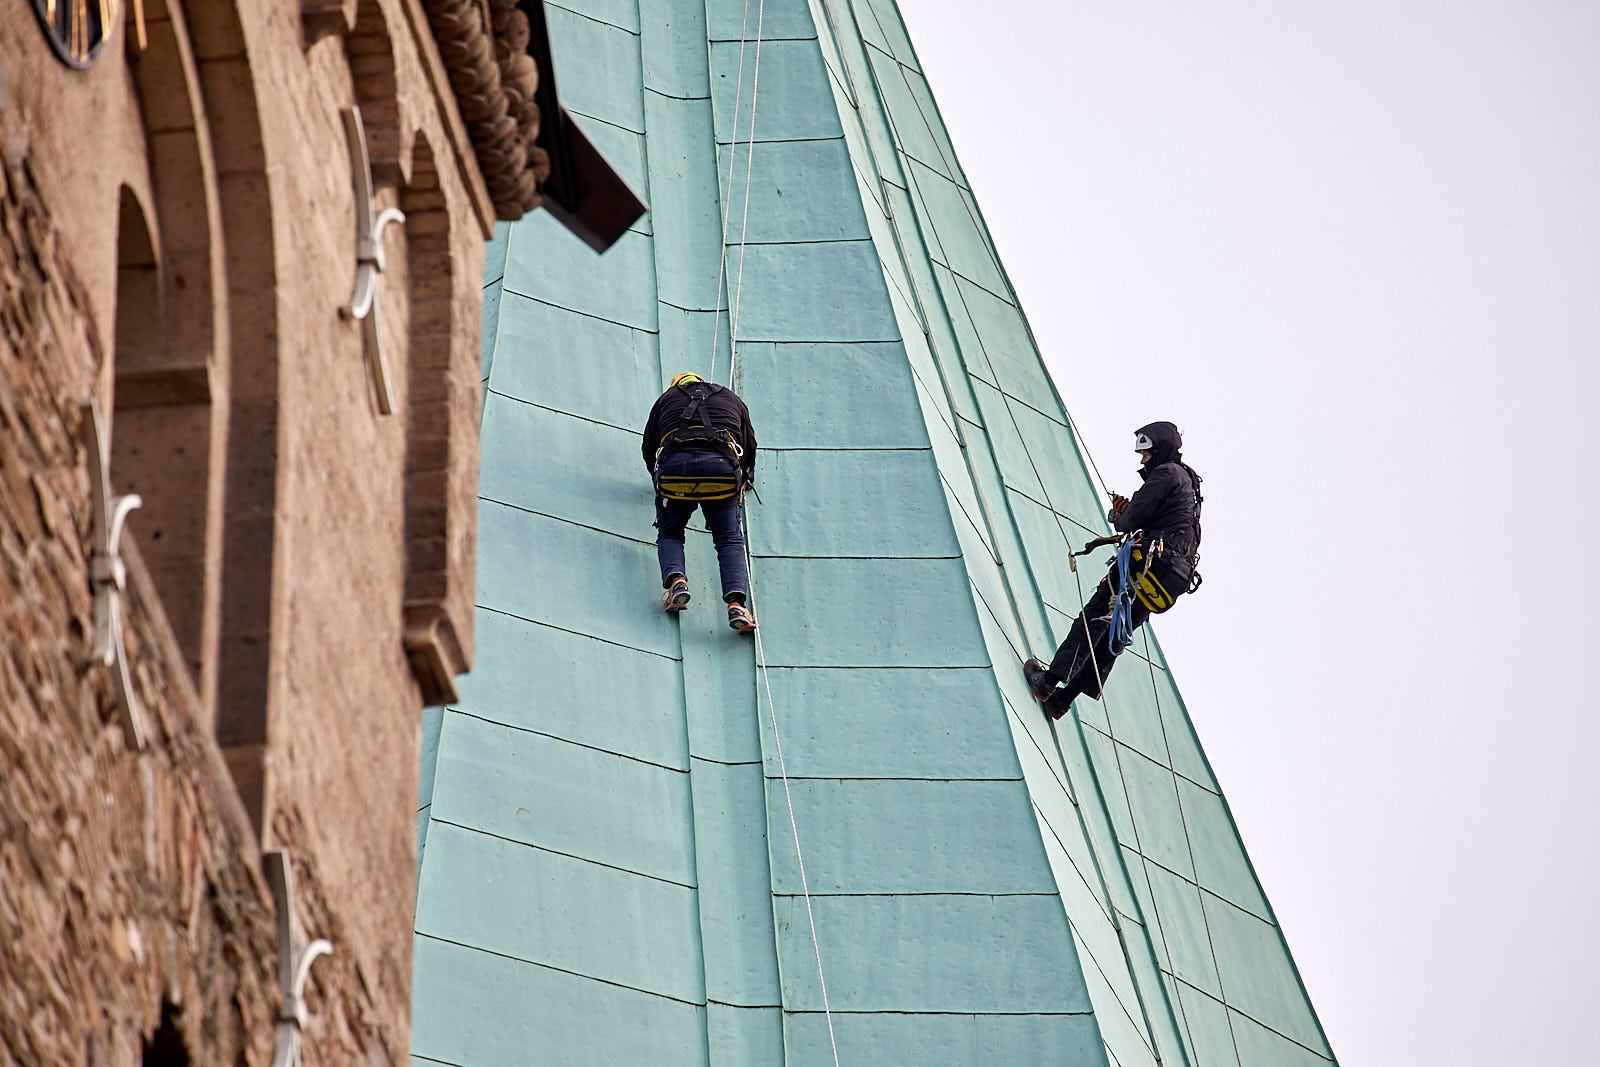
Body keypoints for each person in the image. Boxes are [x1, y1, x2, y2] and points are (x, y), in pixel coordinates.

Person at [1023, 421, 1202, 718]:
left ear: (1159, 450)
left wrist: (1121, 516)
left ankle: (1049, 681)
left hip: (1147, 565)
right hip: (1171, 577)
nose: (1142, 459)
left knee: (1095, 616)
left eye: (1146, 453)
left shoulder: (1165, 473)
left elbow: (1131, 520)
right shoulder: (1189, 484)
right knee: (1113, 637)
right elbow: (1170, 521)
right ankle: (1062, 700)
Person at [642, 372, 759, 633]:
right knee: (729, 538)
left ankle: (677, 582)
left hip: (675, 474)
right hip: (721, 473)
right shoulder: (731, 398)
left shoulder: (665, 400)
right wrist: (745, 479)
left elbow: (648, 447)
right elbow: (749, 444)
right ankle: (736, 605)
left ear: (676, 386)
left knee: (670, 531)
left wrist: (658, 484)